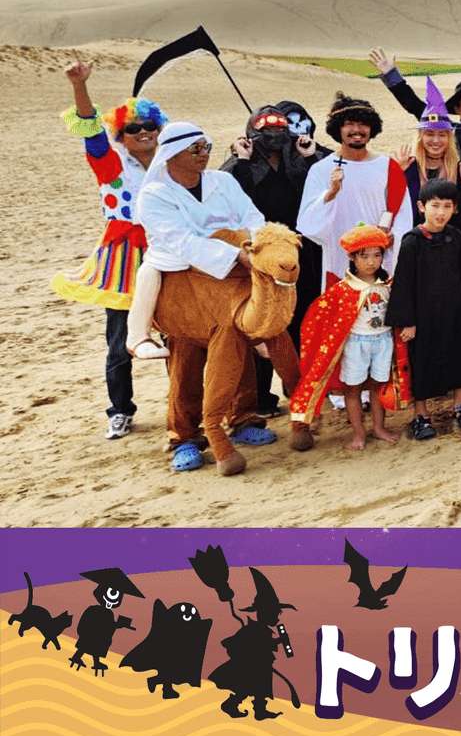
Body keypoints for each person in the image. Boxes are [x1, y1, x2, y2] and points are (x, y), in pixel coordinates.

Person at [135, 121, 277, 464]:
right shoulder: (154, 195)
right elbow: (181, 241)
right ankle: (184, 436)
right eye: (195, 149)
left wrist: (257, 247)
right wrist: (233, 253)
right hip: (182, 284)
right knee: (185, 355)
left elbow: (252, 216)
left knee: (236, 339)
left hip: (231, 278)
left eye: (206, 148)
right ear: (172, 155)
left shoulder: (223, 182)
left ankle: (242, 417)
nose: (204, 155)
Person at [53, 62, 165, 438]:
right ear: (123, 133)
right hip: (123, 256)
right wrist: (80, 86)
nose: (144, 132)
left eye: (150, 126)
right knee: (120, 343)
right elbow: (89, 126)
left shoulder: (172, 163)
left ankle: (185, 406)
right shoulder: (110, 162)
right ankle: (120, 410)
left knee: (181, 337)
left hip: (167, 249)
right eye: (134, 128)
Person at [222, 102, 333, 415]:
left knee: (300, 317)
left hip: (302, 249)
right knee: (263, 319)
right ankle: (260, 398)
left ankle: (298, 386)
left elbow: (327, 182)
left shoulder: (301, 153)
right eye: (266, 130)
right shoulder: (238, 163)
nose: (273, 135)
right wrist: (241, 162)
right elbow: (232, 201)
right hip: (261, 253)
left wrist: (311, 157)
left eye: (279, 129)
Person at [287, 224, 408, 449]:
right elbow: (319, 318)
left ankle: (379, 428)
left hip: (383, 342)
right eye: (364, 256)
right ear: (352, 257)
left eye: (377, 255)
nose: (371, 262)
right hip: (356, 345)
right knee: (352, 390)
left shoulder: (389, 285)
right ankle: (359, 434)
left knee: (378, 386)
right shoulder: (342, 289)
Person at [387, 179, 461, 439]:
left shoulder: (457, 239)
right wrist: (407, 321)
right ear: (422, 207)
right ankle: (420, 416)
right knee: (422, 363)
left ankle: (460, 406)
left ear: (455, 208)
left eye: (447, 206)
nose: (441, 212)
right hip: (423, 317)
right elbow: (404, 283)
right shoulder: (412, 241)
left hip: (455, 313)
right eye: (435, 205)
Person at [297, 94, 413, 288]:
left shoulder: (388, 167)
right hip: (339, 259)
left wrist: (395, 235)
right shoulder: (321, 170)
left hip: (380, 259)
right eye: (350, 124)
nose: (357, 130)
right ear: (338, 128)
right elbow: (307, 222)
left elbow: (402, 210)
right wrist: (331, 193)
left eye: (364, 124)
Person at [395, 77, 461, 237]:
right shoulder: (410, 166)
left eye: (442, 135)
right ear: (420, 137)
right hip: (415, 242)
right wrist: (399, 175)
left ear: (449, 138)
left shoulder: (459, 170)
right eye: (429, 134)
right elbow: (396, 209)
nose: (436, 141)